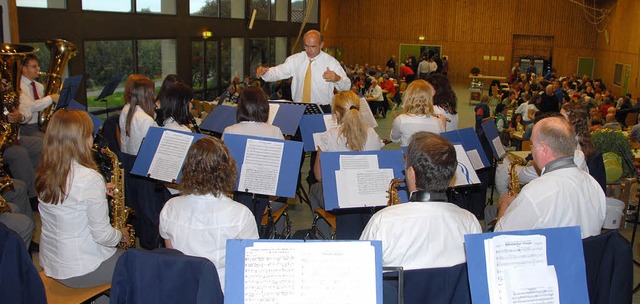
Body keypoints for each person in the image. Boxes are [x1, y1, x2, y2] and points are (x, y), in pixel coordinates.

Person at [36, 109, 130, 288]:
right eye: (89, 134)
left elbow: (67, 197)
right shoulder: (88, 178)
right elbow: (103, 236)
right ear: (78, 141)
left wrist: (100, 189)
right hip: (81, 267)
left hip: (51, 262)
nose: (92, 139)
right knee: (136, 265)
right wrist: (121, 234)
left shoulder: (45, 170)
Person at [360, 131, 481, 269]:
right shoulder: (470, 222)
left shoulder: (382, 222)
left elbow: (363, 272)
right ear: (452, 174)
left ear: (411, 173)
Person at [159, 137, 259, 291]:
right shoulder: (241, 215)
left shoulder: (170, 207)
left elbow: (173, 257)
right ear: (226, 170)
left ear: (188, 168)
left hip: (182, 289)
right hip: (222, 291)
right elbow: (248, 265)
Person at [495, 117, 605, 238]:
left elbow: (500, 240)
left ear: (543, 150)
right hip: (587, 255)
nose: (531, 149)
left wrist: (504, 204)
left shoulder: (536, 192)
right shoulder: (593, 183)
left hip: (552, 256)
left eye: (532, 144)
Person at [309, 91, 384, 239]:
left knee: (314, 188)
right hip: (369, 194)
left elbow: (319, 176)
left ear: (337, 113)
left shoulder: (329, 136)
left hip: (341, 197)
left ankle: (323, 236)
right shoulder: (373, 135)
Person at [222, 86, 284, 227]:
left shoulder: (230, 130)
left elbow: (224, 166)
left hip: (237, 190)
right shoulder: (275, 131)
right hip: (265, 191)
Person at [256, 30, 350, 109]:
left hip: (323, 109)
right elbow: (278, 72)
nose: (309, 50)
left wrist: (337, 79)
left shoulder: (330, 62)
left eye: (313, 46)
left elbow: (346, 86)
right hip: (298, 108)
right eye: (306, 46)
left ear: (321, 45)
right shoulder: (295, 60)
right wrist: (265, 73)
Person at [390, 80, 445, 147]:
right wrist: (443, 126)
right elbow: (441, 143)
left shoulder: (400, 120)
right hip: (429, 156)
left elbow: (394, 139)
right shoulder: (439, 121)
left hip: (408, 156)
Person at [19, 54, 60, 137]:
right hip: (27, 127)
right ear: (24, 68)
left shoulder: (39, 86)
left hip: (41, 125)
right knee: (53, 142)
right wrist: (51, 98)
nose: (38, 69)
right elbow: (30, 107)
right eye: (34, 67)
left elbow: (44, 108)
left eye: (38, 66)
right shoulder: (19, 86)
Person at [119, 76, 158, 155]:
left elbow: (123, 141)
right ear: (149, 96)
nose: (155, 96)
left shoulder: (129, 111)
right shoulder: (146, 119)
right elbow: (151, 149)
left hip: (129, 159)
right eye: (153, 93)